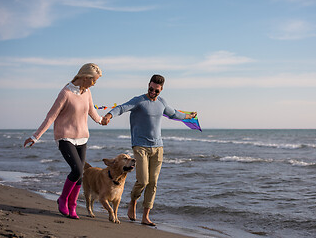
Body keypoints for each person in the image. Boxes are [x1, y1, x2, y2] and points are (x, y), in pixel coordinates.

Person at [102, 74, 197, 226]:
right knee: (143, 180)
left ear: (161, 89)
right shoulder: (139, 101)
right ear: (148, 85)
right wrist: (108, 115)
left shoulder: (161, 102)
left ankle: (145, 216)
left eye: (156, 90)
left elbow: (174, 114)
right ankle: (133, 201)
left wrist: (189, 116)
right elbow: (121, 108)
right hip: (140, 146)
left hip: (158, 147)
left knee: (153, 182)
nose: (153, 92)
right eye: (151, 89)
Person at [23, 63, 105, 219]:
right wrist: (35, 136)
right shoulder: (65, 93)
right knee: (77, 170)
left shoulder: (86, 92)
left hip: (82, 137)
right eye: (93, 80)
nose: (94, 84)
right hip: (65, 137)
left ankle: (72, 206)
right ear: (86, 78)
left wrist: (101, 120)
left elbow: (91, 110)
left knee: (80, 174)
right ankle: (63, 199)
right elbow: (51, 116)